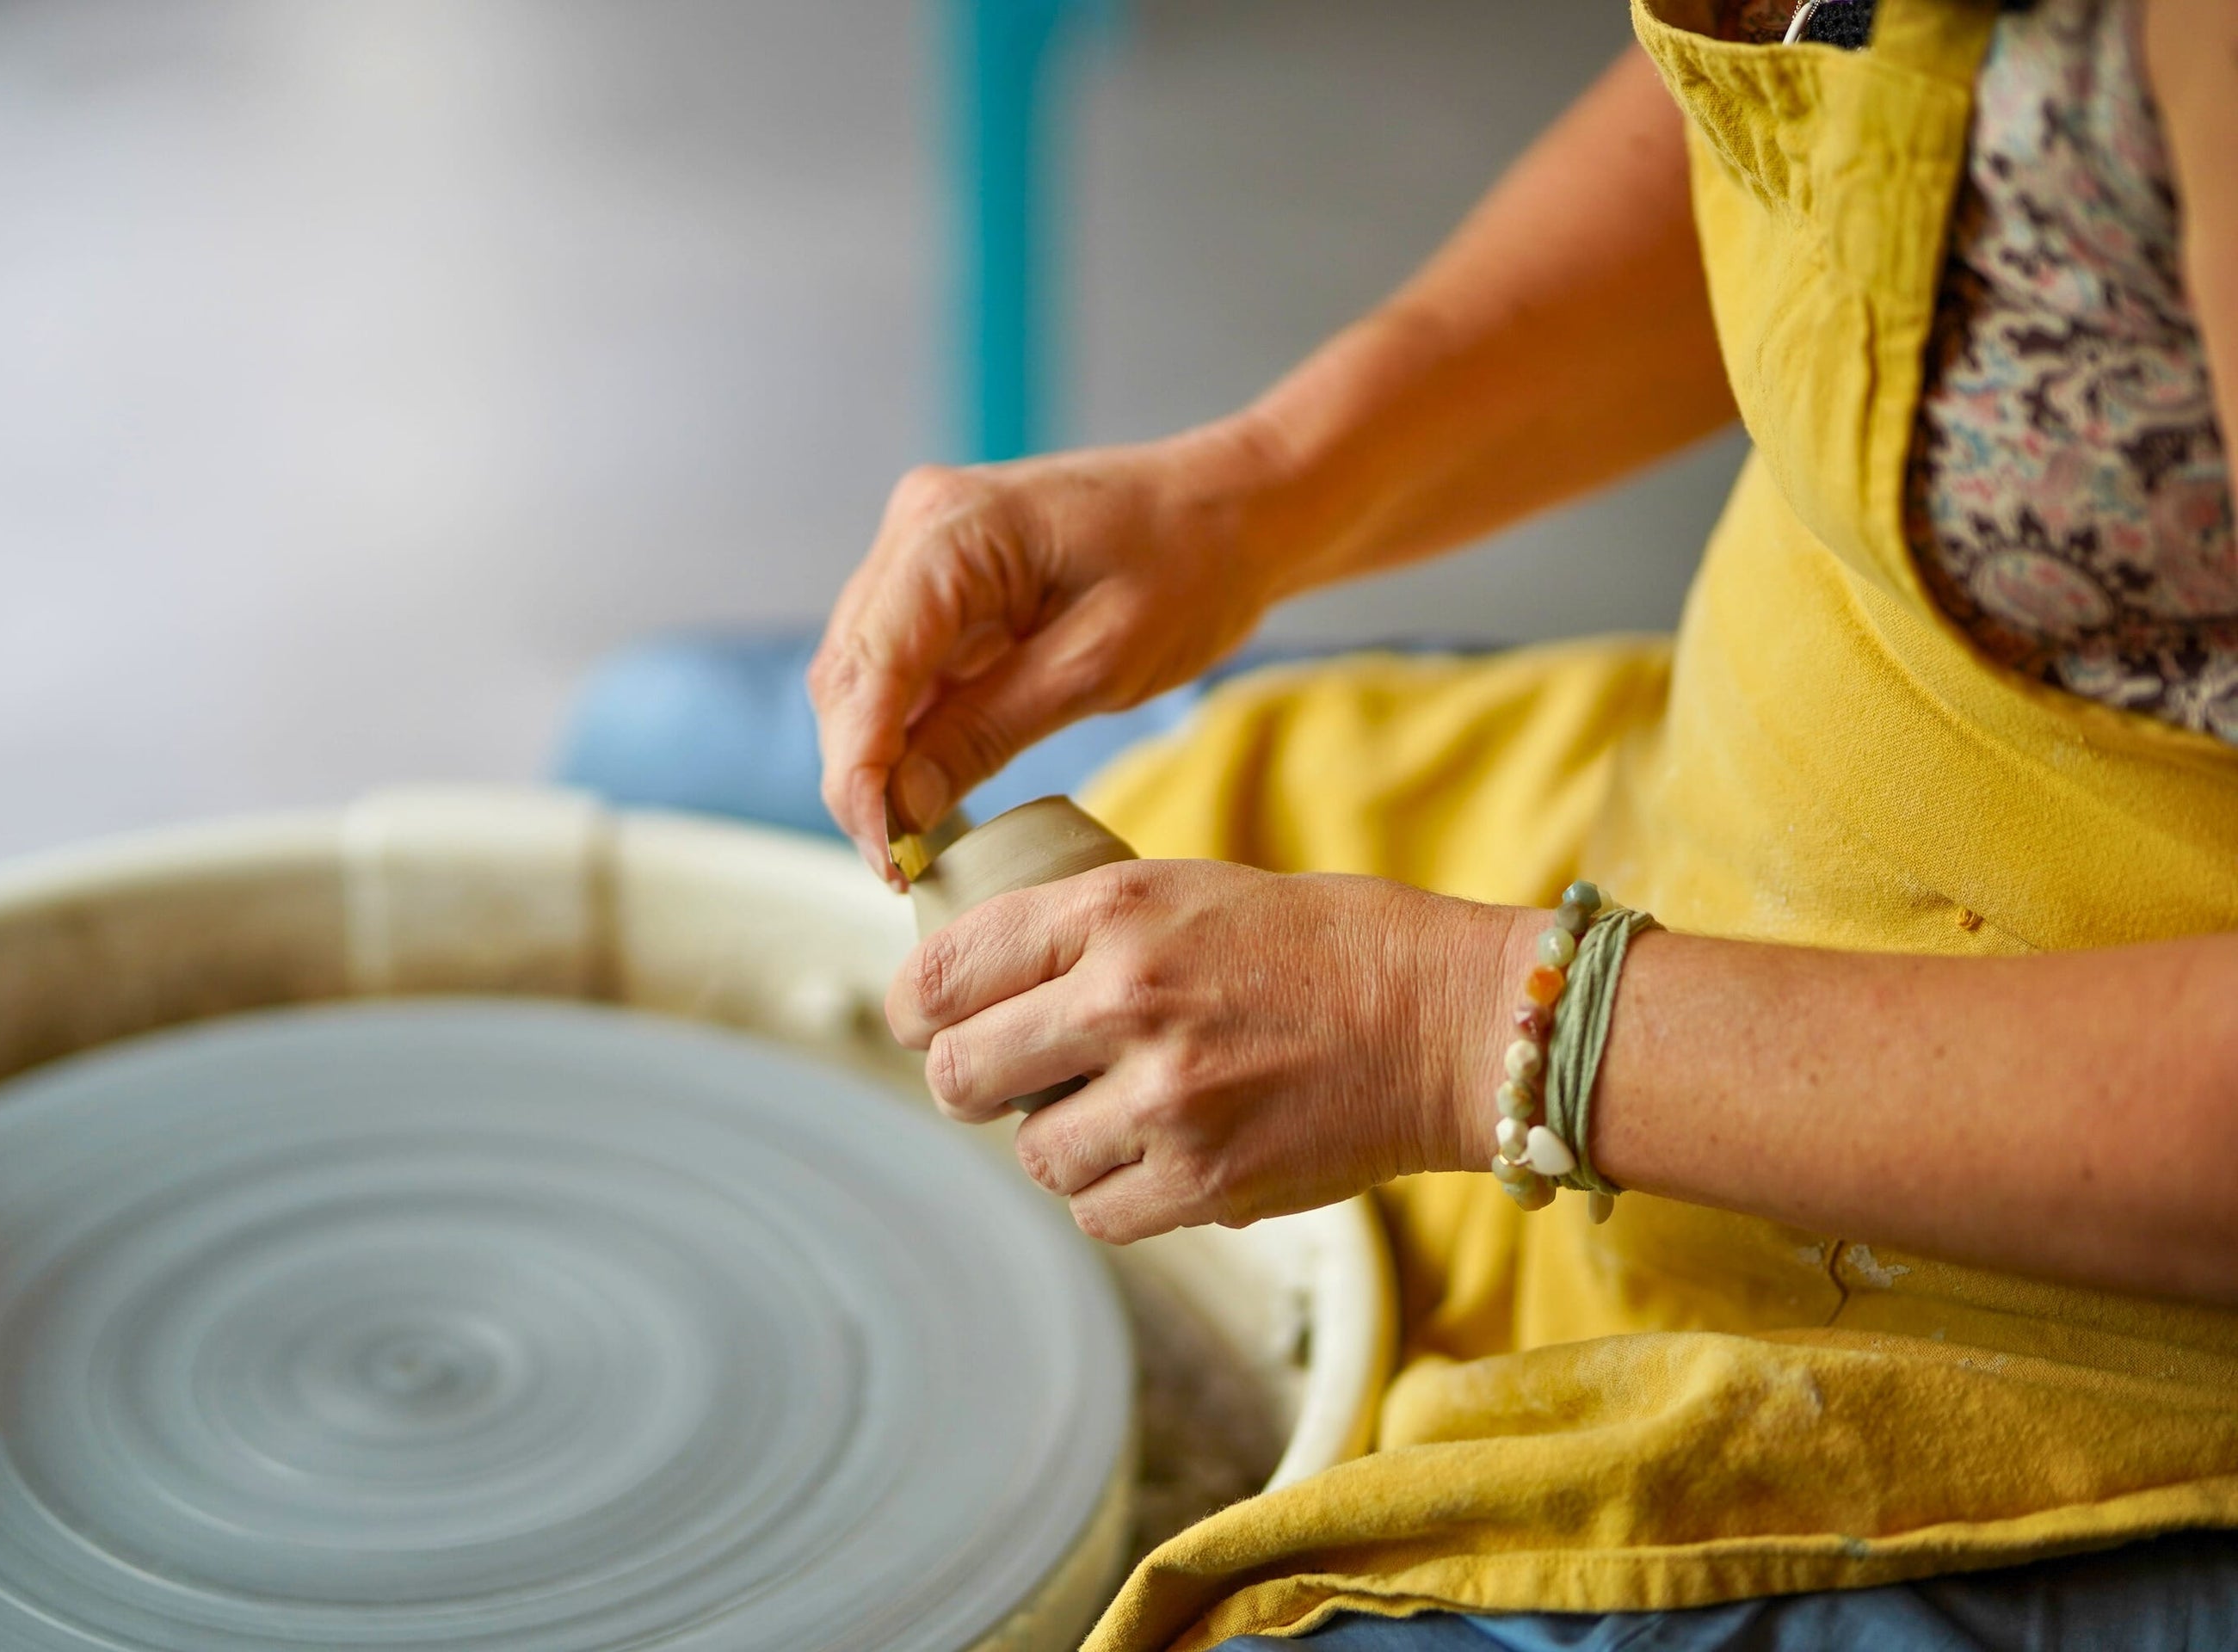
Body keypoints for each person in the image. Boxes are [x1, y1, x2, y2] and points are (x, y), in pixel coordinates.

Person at [794, 0, 2238, 1646]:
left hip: (2067, 1283)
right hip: (1709, 807)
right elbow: (1846, 168)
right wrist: (1248, 496)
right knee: (704, 762)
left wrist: (1466, 1026)